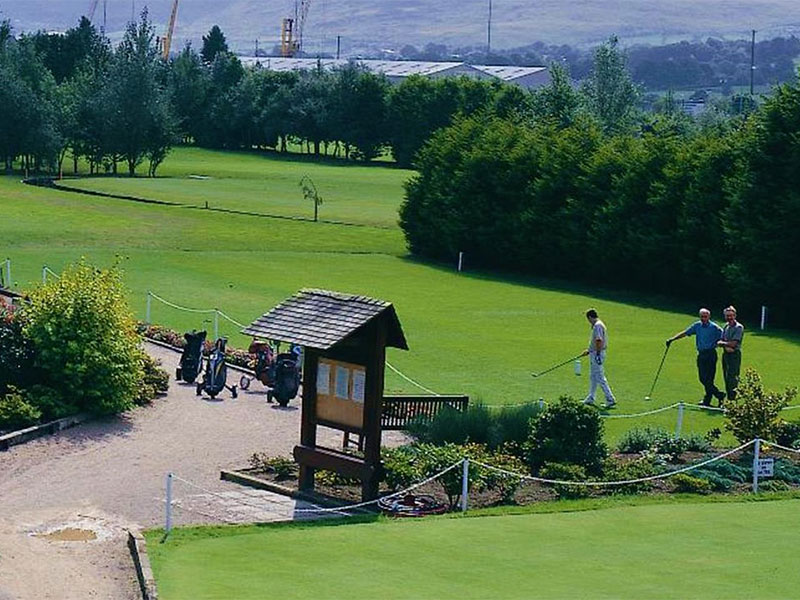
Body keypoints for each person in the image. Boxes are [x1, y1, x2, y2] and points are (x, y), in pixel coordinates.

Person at [666, 308, 725, 406]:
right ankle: (718, 395)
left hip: (711, 354)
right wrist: (673, 339)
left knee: (709, 379)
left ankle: (709, 399)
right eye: (702, 316)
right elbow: (686, 333)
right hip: (701, 354)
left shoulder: (715, 328)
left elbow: (724, 336)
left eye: (705, 316)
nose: (703, 318)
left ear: (709, 317)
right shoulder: (697, 326)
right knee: (703, 378)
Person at [581, 309, 616, 408]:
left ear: (590, 317)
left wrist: (597, 353)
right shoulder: (598, 325)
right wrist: (589, 350)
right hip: (595, 352)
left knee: (600, 376)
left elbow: (599, 340)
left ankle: (610, 398)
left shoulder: (597, 326)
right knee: (593, 376)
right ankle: (591, 397)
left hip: (597, 354)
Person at [718, 305, 744, 401]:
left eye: (731, 315)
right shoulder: (726, 326)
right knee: (726, 376)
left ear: (735, 315)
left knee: (732, 378)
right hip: (726, 354)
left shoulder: (739, 327)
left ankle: (732, 400)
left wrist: (723, 344)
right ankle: (729, 400)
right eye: (727, 316)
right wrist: (725, 345)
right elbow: (721, 340)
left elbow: (733, 343)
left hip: (734, 355)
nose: (729, 318)